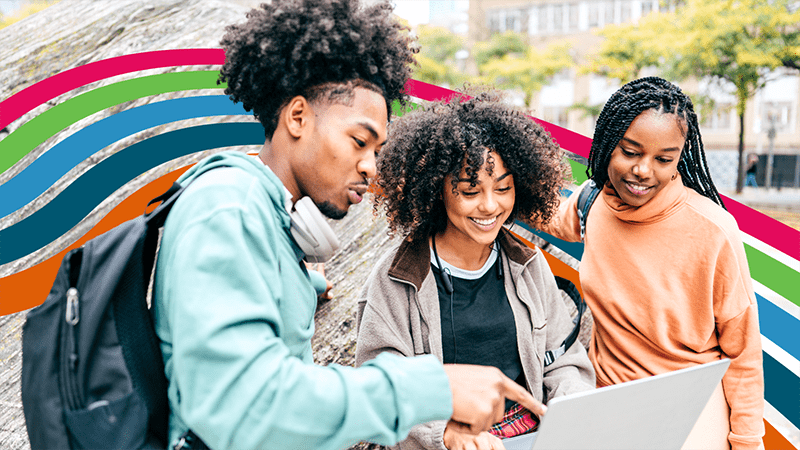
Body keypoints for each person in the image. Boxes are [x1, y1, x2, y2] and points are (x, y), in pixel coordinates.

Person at [151, 2, 545, 450]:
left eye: (377, 149)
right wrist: (434, 389)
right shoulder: (229, 210)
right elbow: (245, 408)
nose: (371, 168)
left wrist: (297, 283)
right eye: (359, 141)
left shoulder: (264, 221)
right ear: (297, 117)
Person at [355, 92, 595, 450]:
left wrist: (569, 411)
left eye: (503, 188)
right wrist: (446, 433)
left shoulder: (530, 266)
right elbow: (382, 387)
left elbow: (563, 363)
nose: (489, 206)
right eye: (470, 191)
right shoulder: (394, 281)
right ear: (438, 191)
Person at [539, 77, 764, 450]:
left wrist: (747, 442)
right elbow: (540, 213)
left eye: (663, 159)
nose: (644, 170)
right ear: (607, 145)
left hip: (690, 412)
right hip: (607, 405)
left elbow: (743, 351)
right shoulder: (592, 204)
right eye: (630, 152)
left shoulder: (713, 230)